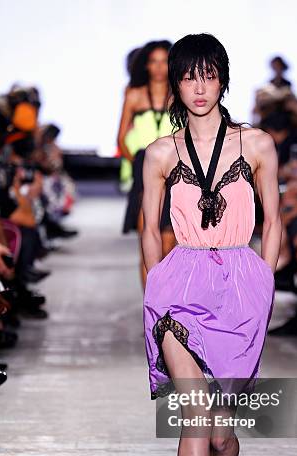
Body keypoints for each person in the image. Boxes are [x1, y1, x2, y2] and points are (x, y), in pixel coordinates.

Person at [141, 33, 281, 456]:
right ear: (175, 83)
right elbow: (149, 233)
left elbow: (274, 220)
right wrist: (153, 294)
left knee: (222, 436)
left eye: (209, 75)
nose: (200, 88)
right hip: (179, 287)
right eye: (188, 77)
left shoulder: (257, 145)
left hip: (241, 287)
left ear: (223, 78)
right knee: (195, 422)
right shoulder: (160, 153)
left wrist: (263, 282)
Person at [117, 40, 176, 288]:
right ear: (146, 65)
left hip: (176, 171)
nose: (159, 67)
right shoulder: (134, 94)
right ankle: (152, 313)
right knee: (149, 245)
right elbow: (120, 138)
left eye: (164, 61)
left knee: (170, 245)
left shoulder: (181, 94)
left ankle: (168, 309)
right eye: (154, 61)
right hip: (144, 170)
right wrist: (139, 164)